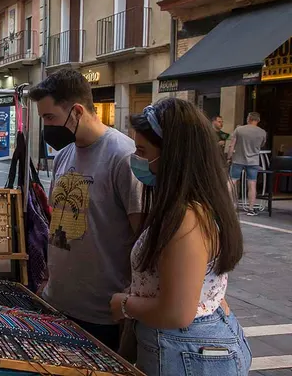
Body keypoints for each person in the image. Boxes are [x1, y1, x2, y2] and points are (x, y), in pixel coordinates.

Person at [110, 98, 250, 375]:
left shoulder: (187, 219)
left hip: (186, 351)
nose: (135, 159)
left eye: (142, 150)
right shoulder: (190, 206)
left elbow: (177, 313)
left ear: (172, 155)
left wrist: (124, 304)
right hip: (190, 345)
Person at [29, 69, 143, 350]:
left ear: (77, 111)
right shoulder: (64, 156)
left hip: (103, 316)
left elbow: (143, 237)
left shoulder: (123, 156)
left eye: (50, 118)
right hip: (58, 304)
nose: (46, 126)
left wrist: (129, 306)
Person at [227, 112, 267, 216]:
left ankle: (227, 205)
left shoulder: (239, 130)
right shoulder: (262, 132)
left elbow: (232, 145)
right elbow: (262, 144)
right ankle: (250, 209)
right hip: (253, 161)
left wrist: (229, 157)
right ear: (258, 120)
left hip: (238, 160)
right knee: (252, 183)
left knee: (232, 181)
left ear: (248, 119)